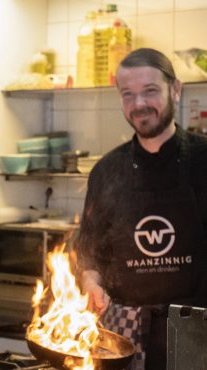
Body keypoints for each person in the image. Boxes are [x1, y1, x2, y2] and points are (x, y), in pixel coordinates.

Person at [75, 48, 207, 370]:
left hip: (196, 330)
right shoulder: (106, 171)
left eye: (150, 91)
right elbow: (89, 253)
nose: (138, 105)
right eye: (128, 94)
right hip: (123, 333)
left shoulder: (204, 160)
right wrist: (90, 283)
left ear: (175, 89)